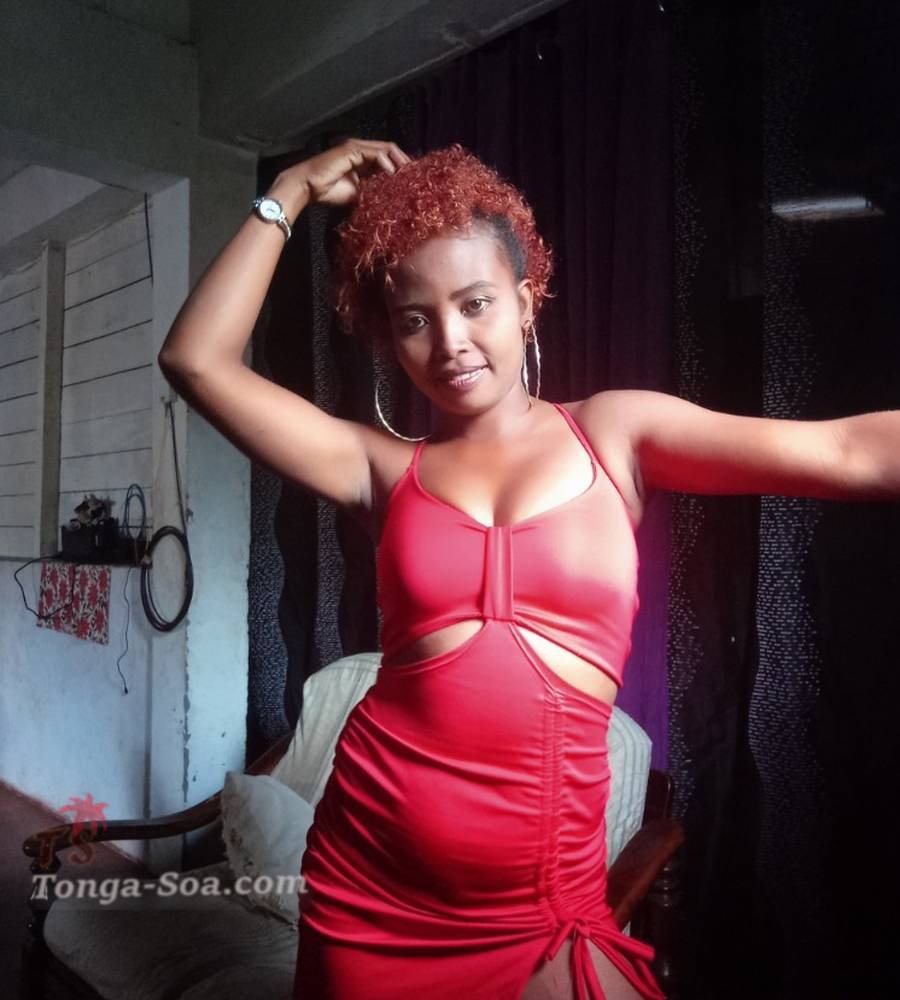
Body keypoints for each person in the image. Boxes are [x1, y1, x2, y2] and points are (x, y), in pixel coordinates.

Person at [158, 138, 900, 1000]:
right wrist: (287, 192)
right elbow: (196, 360)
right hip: (369, 889)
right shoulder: (380, 469)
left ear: (525, 298)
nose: (451, 342)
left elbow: (849, 451)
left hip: (541, 910)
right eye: (414, 319)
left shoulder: (615, 434)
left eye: (475, 303)